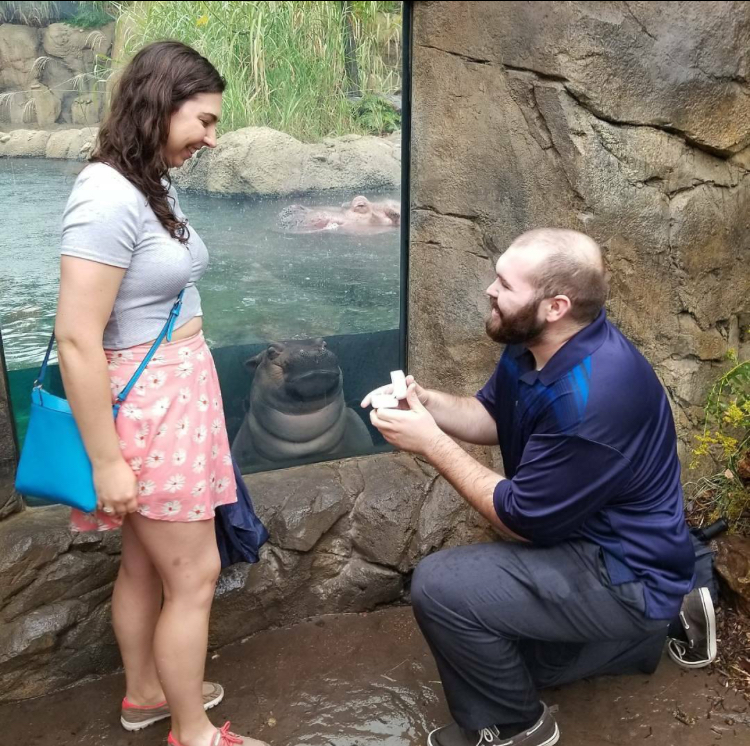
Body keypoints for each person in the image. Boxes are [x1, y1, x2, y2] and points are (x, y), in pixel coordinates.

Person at [363, 228, 715, 746]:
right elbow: (490, 415)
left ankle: (517, 728)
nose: (490, 289)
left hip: (624, 567)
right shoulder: (533, 345)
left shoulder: (596, 396)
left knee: (442, 588)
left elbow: (521, 518)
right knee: (515, 658)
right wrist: (427, 403)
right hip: (595, 539)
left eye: (504, 283)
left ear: (556, 305)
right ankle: (672, 611)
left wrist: (431, 444)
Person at [56, 41, 267, 746]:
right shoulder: (106, 194)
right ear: (160, 104)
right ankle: (193, 732)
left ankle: (148, 692)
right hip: (150, 406)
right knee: (195, 572)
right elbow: (78, 338)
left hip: (177, 393)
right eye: (203, 121)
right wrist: (107, 460)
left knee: (148, 563)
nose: (212, 137)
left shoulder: (148, 181)